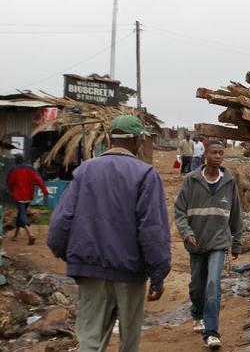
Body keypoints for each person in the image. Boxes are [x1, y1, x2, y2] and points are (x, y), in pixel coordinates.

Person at [47, 115, 171, 352]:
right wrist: (158, 274)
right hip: (130, 273)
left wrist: (72, 256)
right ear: (138, 141)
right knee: (128, 343)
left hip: (90, 271)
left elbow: (61, 221)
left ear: (108, 138)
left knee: (90, 341)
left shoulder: (85, 171)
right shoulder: (145, 174)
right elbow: (152, 230)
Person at [174, 139, 243, 350]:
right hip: (197, 242)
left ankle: (211, 332)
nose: (218, 156)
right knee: (197, 285)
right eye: (214, 152)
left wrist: (237, 243)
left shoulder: (229, 181)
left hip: (219, 242)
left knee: (213, 284)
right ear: (205, 155)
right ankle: (197, 312)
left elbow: (236, 215)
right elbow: (179, 211)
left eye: (222, 153)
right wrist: (186, 232)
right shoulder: (191, 180)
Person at [7, 154, 48, 245]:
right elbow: (39, 180)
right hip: (28, 196)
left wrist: (12, 190)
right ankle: (15, 235)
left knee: (22, 214)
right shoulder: (31, 169)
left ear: (16, 161)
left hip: (19, 195)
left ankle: (30, 234)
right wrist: (45, 192)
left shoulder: (14, 170)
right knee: (20, 213)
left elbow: (10, 182)